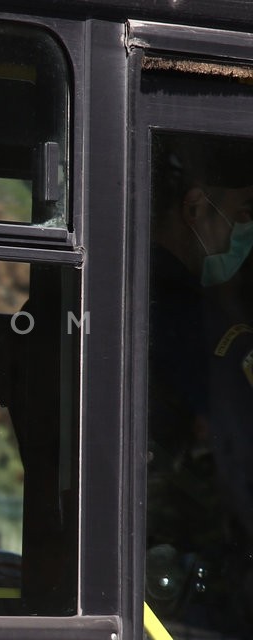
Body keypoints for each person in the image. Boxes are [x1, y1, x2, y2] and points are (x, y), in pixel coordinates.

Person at [145, 132, 253, 634]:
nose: (245, 231)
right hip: (192, 584)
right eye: (244, 211)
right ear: (196, 208)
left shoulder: (130, 294)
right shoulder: (195, 323)